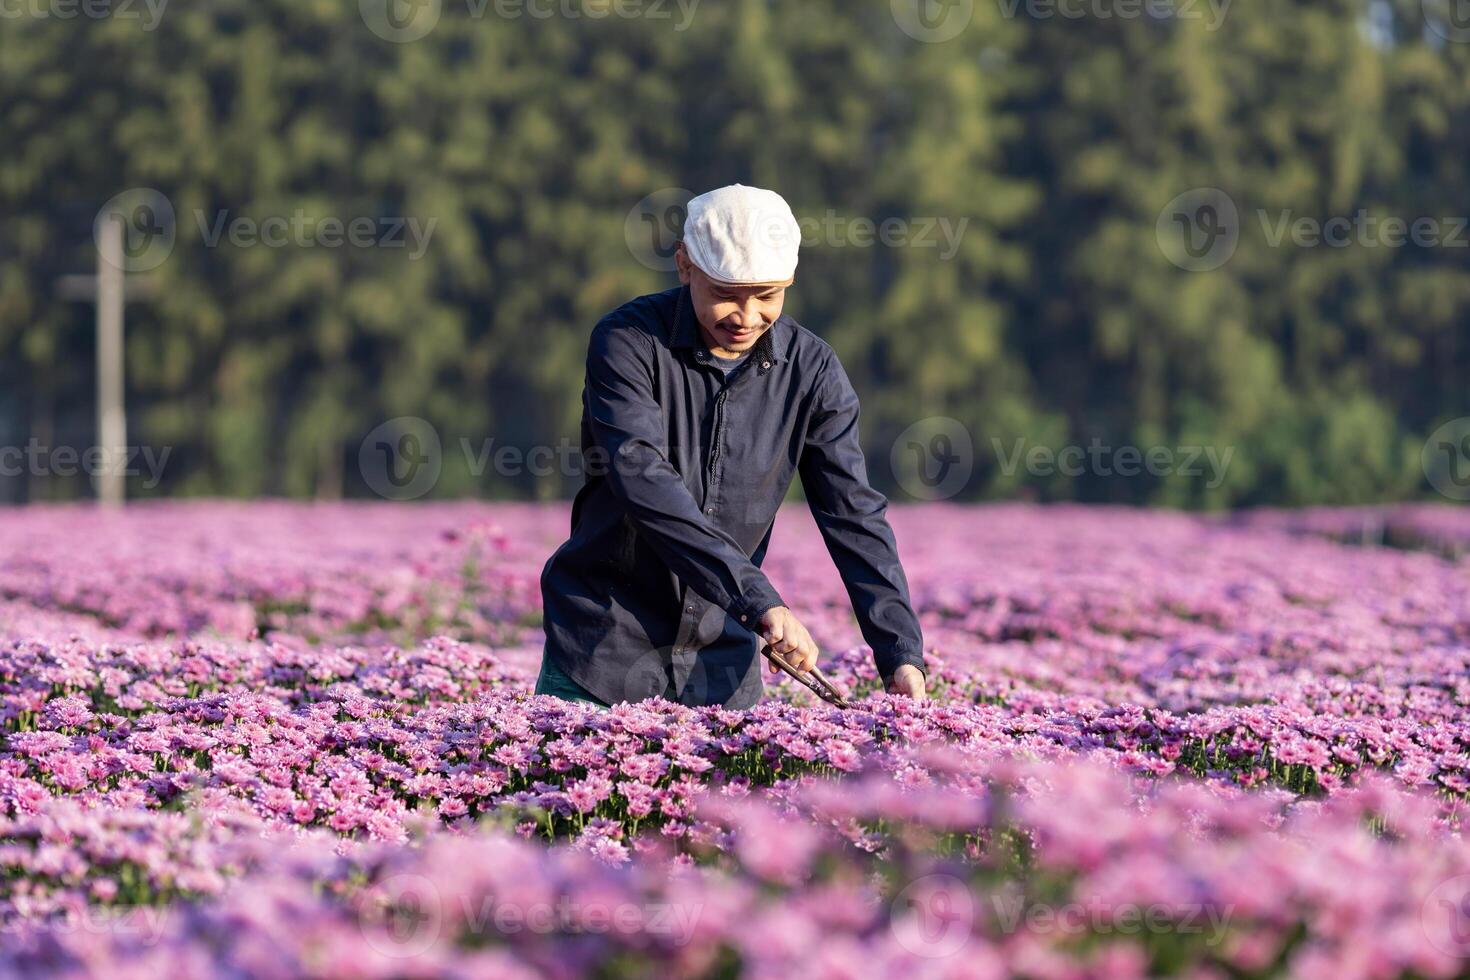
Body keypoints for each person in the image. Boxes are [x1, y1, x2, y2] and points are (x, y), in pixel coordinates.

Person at [536, 183, 927, 709]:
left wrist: (899, 651)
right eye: (726, 293)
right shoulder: (627, 342)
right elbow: (643, 480)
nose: (745, 317)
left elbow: (852, 513)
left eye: (767, 296)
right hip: (602, 650)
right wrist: (760, 602)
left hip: (722, 664)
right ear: (684, 266)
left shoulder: (812, 371)